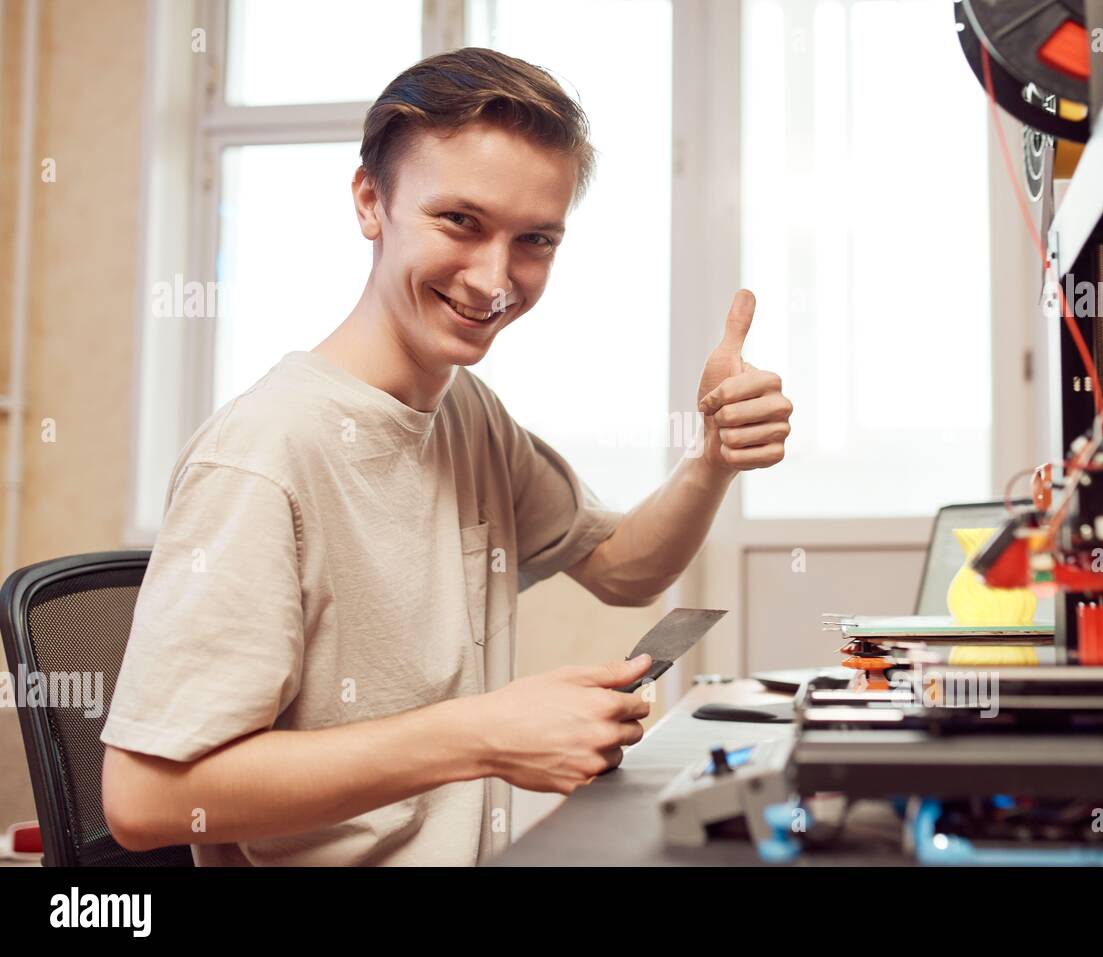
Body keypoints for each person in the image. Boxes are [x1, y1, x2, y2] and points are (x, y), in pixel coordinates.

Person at [100, 47, 792, 866]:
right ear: (370, 200)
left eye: (534, 239)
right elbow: (144, 801)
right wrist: (481, 735)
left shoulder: (466, 412)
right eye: (460, 221)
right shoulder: (264, 453)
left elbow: (622, 567)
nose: (496, 279)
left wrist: (711, 458)